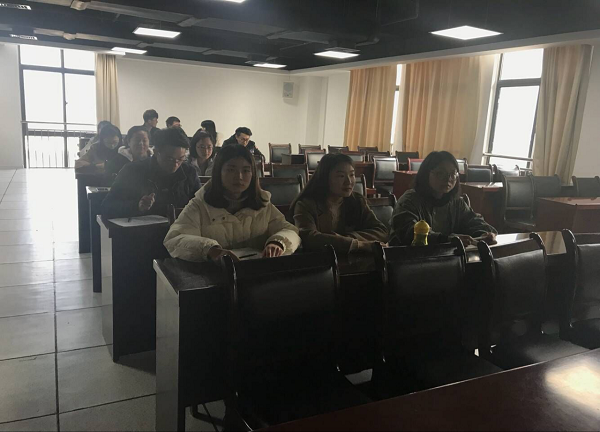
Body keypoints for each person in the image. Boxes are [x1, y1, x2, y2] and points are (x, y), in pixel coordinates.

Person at [164, 144, 300, 263]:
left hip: (256, 273)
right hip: (215, 276)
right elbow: (175, 238)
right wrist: (210, 250)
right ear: (218, 172)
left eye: (246, 170)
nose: (239, 177)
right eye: (231, 170)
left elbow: (290, 231)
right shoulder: (200, 204)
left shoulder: (263, 204)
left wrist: (278, 243)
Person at [389, 151, 497, 247]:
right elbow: (409, 233)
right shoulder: (409, 200)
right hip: (408, 259)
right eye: (440, 173)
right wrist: (446, 240)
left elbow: (474, 221)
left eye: (453, 174)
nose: (448, 179)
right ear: (426, 174)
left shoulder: (456, 202)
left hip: (447, 259)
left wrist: (484, 233)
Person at [292, 153, 388, 254]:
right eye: (341, 176)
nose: (348, 181)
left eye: (352, 175)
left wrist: (347, 239)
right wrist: (356, 244)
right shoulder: (306, 204)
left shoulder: (357, 200)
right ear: (325, 178)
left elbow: (382, 231)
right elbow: (308, 238)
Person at [101, 127, 201, 218]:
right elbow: (107, 206)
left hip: (181, 229)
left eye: (181, 159)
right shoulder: (132, 171)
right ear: (156, 152)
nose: (175, 164)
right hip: (144, 230)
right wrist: (137, 206)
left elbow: (200, 204)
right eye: (169, 159)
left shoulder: (189, 172)